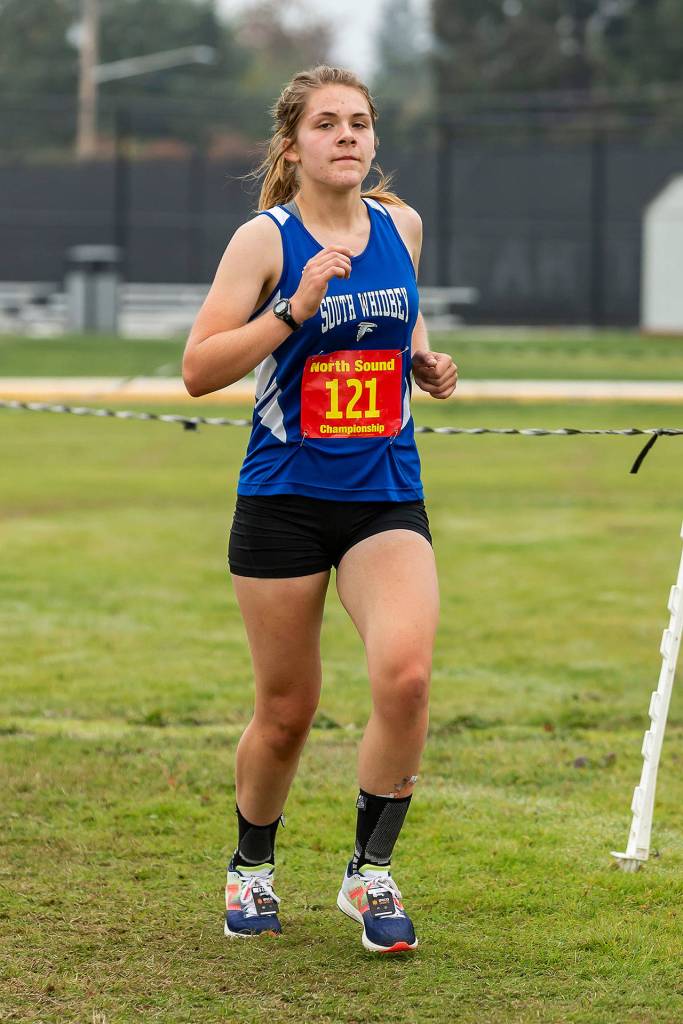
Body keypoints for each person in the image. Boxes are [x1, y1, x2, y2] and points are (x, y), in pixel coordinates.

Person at [182, 65, 457, 954]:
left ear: (374, 140)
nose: (347, 135)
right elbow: (199, 368)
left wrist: (425, 362)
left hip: (385, 493)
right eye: (328, 123)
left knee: (406, 676)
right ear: (292, 144)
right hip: (284, 500)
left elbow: (396, 321)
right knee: (287, 710)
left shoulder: (399, 225)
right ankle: (251, 868)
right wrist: (293, 313)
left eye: (361, 122)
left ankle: (368, 874)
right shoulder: (263, 241)